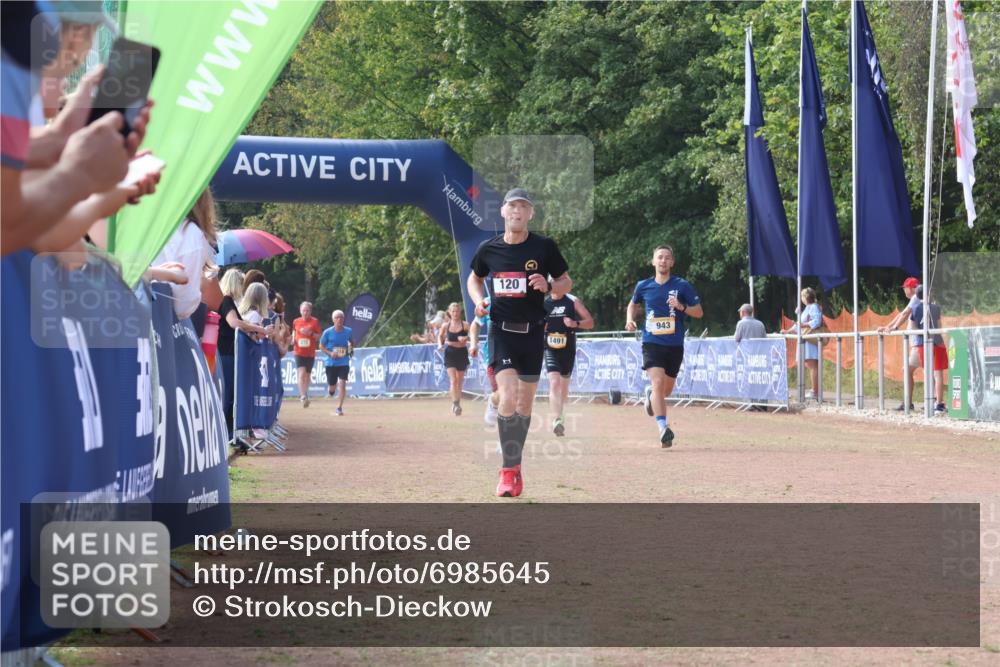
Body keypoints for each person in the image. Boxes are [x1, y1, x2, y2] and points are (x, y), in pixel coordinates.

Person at [467, 188, 571, 497]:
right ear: (503, 212)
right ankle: (507, 471)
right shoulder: (489, 249)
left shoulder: (544, 247)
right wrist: (478, 300)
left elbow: (566, 281)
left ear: (530, 214)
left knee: (524, 405)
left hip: (533, 333)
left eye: (523, 207)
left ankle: (515, 467)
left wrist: (550, 284)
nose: (517, 211)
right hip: (501, 331)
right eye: (512, 206)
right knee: (509, 395)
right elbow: (475, 278)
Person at [626, 245, 703, 447]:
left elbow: (699, 312)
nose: (663, 261)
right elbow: (632, 304)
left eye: (667, 258)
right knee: (658, 382)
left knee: (665, 391)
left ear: (672, 262)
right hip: (651, 342)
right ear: (653, 261)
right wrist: (630, 319)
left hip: (675, 344)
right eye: (659, 257)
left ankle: (651, 395)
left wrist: (682, 307)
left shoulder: (682, 285)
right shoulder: (643, 286)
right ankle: (663, 429)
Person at [217, 269, 271, 442]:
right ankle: (226, 433)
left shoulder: (230, 302)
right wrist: (258, 328)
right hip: (226, 353)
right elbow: (234, 323)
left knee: (232, 395)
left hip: (231, 353)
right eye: (241, 284)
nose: (243, 288)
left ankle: (231, 433)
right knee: (229, 395)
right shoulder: (225, 301)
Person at [151, 188, 218, 322]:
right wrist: (198, 286)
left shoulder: (154, 225)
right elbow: (183, 303)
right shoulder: (189, 234)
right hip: (161, 322)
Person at [544, 290, 594, 436]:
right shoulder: (544, 303)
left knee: (564, 389)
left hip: (568, 349)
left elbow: (590, 323)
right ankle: (556, 420)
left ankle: (560, 412)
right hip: (550, 348)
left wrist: (575, 323)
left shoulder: (572, 301)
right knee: (554, 383)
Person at [877, 277, 922, 411]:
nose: (904, 290)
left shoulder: (916, 298)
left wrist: (893, 328)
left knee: (908, 370)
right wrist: (888, 326)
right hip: (918, 341)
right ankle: (932, 401)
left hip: (919, 342)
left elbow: (904, 314)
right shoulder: (917, 299)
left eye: (905, 288)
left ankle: (910, 402)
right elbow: (902, 314)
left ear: (912, 288)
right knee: (929, 371)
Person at [780, 287, 823, 401]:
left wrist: (802, 325)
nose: (801, 299)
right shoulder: (808, 308)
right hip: (805, 339)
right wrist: (788, 331)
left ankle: (815, 392)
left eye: (802, 296)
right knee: (807, 365)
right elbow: (799, 324)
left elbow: (817, 321)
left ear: (805, 297)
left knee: (812, 365)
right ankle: (812, 390)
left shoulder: (813, 307)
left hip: (810, 340)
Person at [910, 286, 948, 415]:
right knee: (938, 374)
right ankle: (939, 403)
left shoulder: (914, 309)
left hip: (922, 343)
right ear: (927, 294)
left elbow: (913, 328)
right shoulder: (936, 308)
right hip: (937, 342)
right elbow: (939, 326)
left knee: (928, 373)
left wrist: (921, 336)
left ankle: (930, 400)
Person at [469, 298, 499, 426]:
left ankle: (508, 438)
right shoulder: (488, 302)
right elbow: (475, 324)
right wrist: (473, 344)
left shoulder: (523, 295)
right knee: (501, 392)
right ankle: (494, 401)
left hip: (517, 352)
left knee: (514, 394)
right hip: (493, 353)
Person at [438, 302, 470, 415]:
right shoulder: (445, 325)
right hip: (450, 353)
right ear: (449, 312)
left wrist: (465, 338)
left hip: (462, 353)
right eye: (453, 311)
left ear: (459, 312)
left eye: (457, 311)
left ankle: (457, 404)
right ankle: (455, 404)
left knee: (460, 381)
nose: (455, 313)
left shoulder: (465, 325)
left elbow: (472, 336)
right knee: (453, 380)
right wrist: (440, 344)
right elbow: (440, 336)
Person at [319, 310, 353, 416]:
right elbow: (321, 346)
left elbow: (351, 342)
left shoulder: (348, 331)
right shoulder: (327, 332)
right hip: (331, 363)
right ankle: (331, 391)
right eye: (337, 317)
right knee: (332, 387)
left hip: (344, 362)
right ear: (333, 320)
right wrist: (330, 353)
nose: (339, 319)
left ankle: (339, 407)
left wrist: (350, 350)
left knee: (342, 384)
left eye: (341, 317)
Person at [292, 301, 322, 407]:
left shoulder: (315, 322)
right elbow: (294, 333)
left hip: (310, 353)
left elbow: (319, 337)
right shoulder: (296, 321)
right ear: (300, 311)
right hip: (298, 352)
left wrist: (311, 334)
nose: (305, 312)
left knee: (308, 375)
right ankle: (303, 396)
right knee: (302, 373)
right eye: (303, 310)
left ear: (310, 311)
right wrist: (292, 340)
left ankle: (305, 393)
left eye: (307, 310)